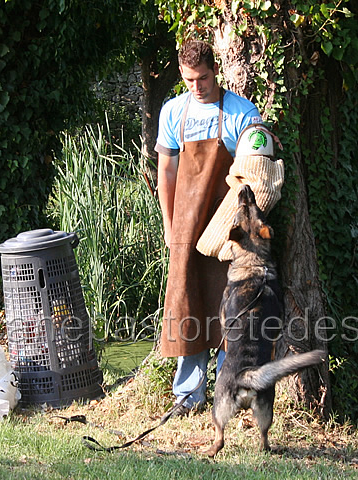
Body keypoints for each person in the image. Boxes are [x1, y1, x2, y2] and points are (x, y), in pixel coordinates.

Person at [154, 40, 262, 415]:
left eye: (201, 78)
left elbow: (255, 173)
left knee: (230, 307)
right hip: (186, 225)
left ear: (215, 71)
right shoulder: (172, 112)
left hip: (229, 229)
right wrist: (170, 225)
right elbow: (166, 171)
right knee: (187, 303)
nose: (196, 87)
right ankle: (187, 396)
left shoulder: (242, 113)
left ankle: (227, 392)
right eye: (188, 80)